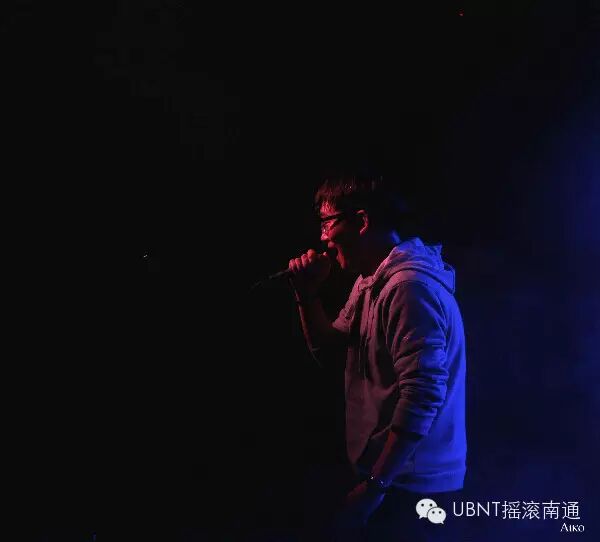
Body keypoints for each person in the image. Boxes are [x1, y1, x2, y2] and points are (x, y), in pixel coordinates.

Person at [287, 175, 467, 542]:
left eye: (327, 222)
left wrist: (374, 487)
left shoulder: (408, 287)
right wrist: (306, 294)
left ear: (361, 221)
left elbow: (422, 395)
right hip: (391, 478)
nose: (323, 237)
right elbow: (330, 350)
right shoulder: (371, 281)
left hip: (411, 486)